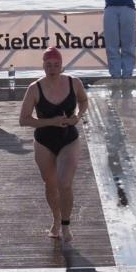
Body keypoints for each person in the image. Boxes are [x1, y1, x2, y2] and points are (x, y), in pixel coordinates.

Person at [18, 48, 89, 243]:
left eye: (56, 65)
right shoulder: (34, 88)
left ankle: (66, 225)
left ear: (62, 66)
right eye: (48, 65)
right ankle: (56, 219)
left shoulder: (74, 82)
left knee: (64, 183)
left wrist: (78, 116)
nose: (52, 69)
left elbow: (83, 100)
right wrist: (52, 122)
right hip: (44, 141)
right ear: (43, 66)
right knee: (50, 183)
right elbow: (23, 120)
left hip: (69, 139)